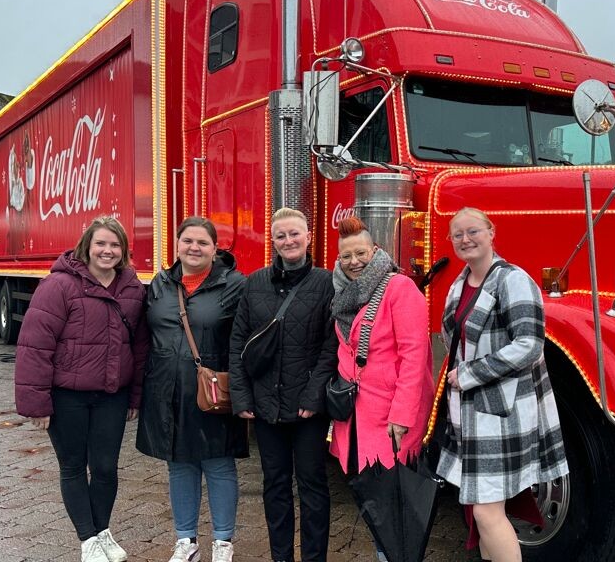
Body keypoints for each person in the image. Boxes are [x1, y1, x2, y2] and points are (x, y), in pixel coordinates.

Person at [14, 216, 147, 562]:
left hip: (111, 396)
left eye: (115, 245)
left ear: (124, 251)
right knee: (73, 466)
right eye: (101, 243)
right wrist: (37, 404)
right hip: (67, 396)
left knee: (105, 468)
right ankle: (88, 540)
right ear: (86, 245)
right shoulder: (58, 286)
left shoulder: (133, 289)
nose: (108, 250)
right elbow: (35, 345)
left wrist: (135, 396)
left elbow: (141, 348)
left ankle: (102, 531)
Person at [439, 207, 568, 562]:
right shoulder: (459, 284)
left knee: (485, 512)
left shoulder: (513, 280)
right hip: (469, 416)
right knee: (481, 513)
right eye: (458, 235)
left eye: (473, 231)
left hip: (501, 414)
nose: (466, 240)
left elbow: (529, 345)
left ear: (491, 232)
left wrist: (471, 374)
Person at [229, 207, 337, 562]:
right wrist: (241, 397)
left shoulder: (326, 283)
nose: (288, 241)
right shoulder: (254, 282)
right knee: (274, 485)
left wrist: (314, 396)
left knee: (312, 486)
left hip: (307, 407)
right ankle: (281, 557)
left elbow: (330, 347)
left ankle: (314, 558)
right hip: (265, 404)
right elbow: (239, 342)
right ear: (272, 241)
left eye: (295, 234)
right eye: (281, 236)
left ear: (308, 237)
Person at [136, 217, 247, 562]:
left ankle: (223, 542)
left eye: (202, 242)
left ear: (215, 249)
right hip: (166, 391)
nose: (194, 248)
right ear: (177, 245)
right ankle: (186, 541)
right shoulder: (159, 284)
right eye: (188, 241)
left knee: (218, 464)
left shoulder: (235, 285)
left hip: (212, 391)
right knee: (179, 465)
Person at [327, 216, 434, 561]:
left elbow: (415, 356)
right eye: (347, 256)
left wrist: (402, 416)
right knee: (373, 502)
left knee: (395, 509)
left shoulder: (399, 288)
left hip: (391, 418)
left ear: (375, 251)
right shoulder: (342, 291)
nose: (354, 262)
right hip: (356, 417)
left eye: (361, 253)